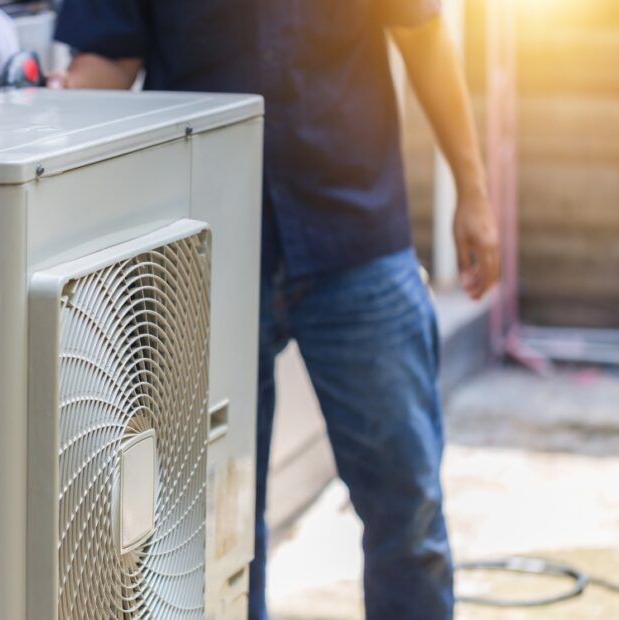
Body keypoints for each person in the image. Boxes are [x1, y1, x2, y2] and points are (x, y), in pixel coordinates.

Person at [51, 1, 499, 618]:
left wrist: (473, 192)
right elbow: (110, 55)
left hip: (356, 231)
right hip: (208, 246)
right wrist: (53, 114)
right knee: (214, 521)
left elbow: (422, 33)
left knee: (407, 504)